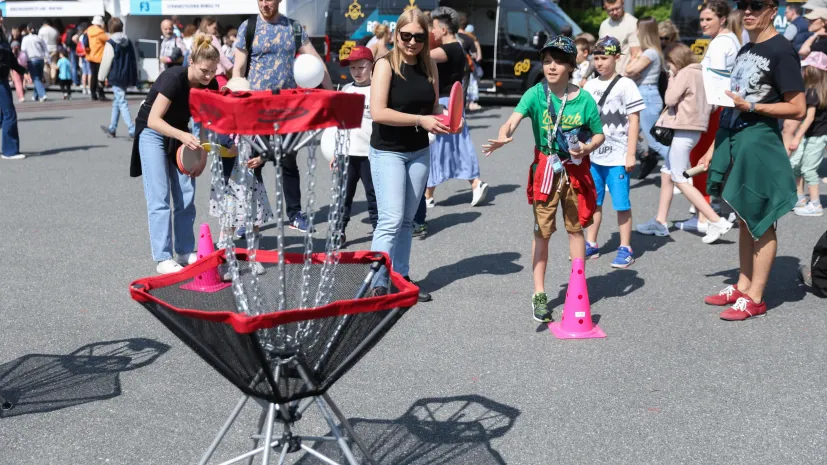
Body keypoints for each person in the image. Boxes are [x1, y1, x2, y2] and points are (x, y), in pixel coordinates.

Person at [482, 36, 604, 323]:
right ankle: (539, 293)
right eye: (547, 61)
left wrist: (587, 148)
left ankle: (577, 284)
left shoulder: (584, 99)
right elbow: (513, 118)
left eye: (559, 61)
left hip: (574, 171)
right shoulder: (536, 94)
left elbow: (599, 134)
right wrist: (504, 134)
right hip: (545, 171)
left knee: (576, 230)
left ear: (571, 66)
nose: (551, 67)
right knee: (542, 233)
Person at [699, 0, 806, 321]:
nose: (747, 11)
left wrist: (754, 108)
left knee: (760, 219)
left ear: (772, 9)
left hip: (760, 143)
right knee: (745, 217)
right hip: (737, 139)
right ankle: (743, 285)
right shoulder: (746, 49)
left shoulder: (781, 50)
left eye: (755, 5)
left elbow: (797, 107)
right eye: (743, 5)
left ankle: (756, 296)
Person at [233, 0, 334, 233]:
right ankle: (250, 218)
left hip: (287, 109)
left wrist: (331, 96)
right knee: (252, 164)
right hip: (255, 109)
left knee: (288, 162)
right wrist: (236, 99)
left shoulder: (294, 28)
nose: (264, 3)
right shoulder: (248, 27)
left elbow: (315, 62)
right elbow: (238, 69)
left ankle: (295, 214)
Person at [368, 8, 446, 303]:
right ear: (396, 34)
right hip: (388, 151)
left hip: (418, 151)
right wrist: (420, 120)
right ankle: (376, 282)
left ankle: (399, 276)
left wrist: (449, 118)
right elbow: (379, 112)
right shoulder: (385, 64)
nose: (412, 42)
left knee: (407, 220)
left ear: (427, 38)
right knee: (390, 219)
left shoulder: (429, 67)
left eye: (419, 37)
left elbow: (434, 107)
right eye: (406, 35)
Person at [129, 36, 220, 274]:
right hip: (153, 133)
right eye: (203, 70)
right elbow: (153, 120)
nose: (208, 77)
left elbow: (208, 123)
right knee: (160, 197)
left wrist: (203, 155)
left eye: (213, 71)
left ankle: (185, 250)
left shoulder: (211, 85)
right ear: (191, 61)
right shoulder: (173, 78)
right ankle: (163, 258)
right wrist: (183, 136)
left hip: (180, 134)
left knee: (186, 194)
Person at [636, 43, 733, 243]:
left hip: (683, 130)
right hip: (696, 130)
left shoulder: (684, 74)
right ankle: (660, 221)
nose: (668, 68)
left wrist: (672, 78)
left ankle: (715, 220)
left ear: (675, 61)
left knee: (680, 178)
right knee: (667, 174)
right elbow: (714, 105)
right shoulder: (704, 73)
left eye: (669, 64)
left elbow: (670, 99)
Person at [678, 0, 742, 233]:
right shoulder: (730, 39)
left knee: (701, 160)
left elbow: (713, 85)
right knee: (717, 161)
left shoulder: (719, 44)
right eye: (702, 19)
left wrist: (705, 112)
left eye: (708, 19)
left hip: (714, 110)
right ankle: (713, 210)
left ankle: (706, 217)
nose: (703, 24)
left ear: (722, 19)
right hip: (724, 107)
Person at [583, 36, 644, 268]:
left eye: (604, 58)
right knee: (594, 201)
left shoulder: (626, 85)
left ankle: (625, 247)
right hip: (593, 155)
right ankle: (591, 243)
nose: (599, 63)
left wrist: (631, 153)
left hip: (618, 156)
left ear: (617, 58)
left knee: (621, 203)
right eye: (596, 58)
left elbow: (634, 120)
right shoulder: (589, 85)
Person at [425, 7, 489, 208]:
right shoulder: (457, 47)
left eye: (434, 28)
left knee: (438, 147)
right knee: (451, 145)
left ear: (443, 30)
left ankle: (473, 183)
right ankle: (429, 194)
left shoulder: (449, 49)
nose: (432, 32)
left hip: (443, 103)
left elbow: (422, 56)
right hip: (451, 102)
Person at [337, 46, 379, 245]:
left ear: (372, 66)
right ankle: (339, 230)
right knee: (343, 196)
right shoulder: (346, 90)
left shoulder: (378, 90)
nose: (357, 72)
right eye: (353, 68)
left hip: (371, 154)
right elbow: (338, 126)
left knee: (374, 194)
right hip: (346, 154)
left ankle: (379, 230)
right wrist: (334, 154)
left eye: (361, 67)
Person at [626, 16, 668, 179]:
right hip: (644, 95)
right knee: (627, 134)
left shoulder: (650, 53)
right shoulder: (650, 52)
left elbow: (629, 71)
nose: (636, 32)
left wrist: (634, 58)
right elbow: (629, 72)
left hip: (647, 97)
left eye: (638, 29)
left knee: (654, 142)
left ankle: (681, 171)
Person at [787, 51, 827, 217]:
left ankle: (815, 204)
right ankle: (799, 198)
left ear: (811, 71)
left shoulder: (812, 92)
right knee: (795, 164)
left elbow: (809, 117)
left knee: (808, 169)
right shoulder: (819, 91)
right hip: (812, 135)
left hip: (814, 136)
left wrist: (796, 136)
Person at [98, 17, 138, 139]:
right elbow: (133, 59)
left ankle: (132, 129)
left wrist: (101, 77)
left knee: (121, 101)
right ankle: (112, 127)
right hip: (127, 75)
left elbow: (106, 62)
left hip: (116, 75)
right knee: (117, 101)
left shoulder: (111, 43)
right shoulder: (128, 41)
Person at [0, 11, 28, 160]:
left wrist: (24, 71)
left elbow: (10, 58)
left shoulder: (3, 36)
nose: (2, 18)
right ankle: (9, 151)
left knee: (3, 115)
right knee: (9, 114)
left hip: (2, 79)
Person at [599, 0, 640, 74]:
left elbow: (635, 54)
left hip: (623, 75)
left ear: (622, 3)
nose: (615, 12)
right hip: (606, 75)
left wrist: (628, 74)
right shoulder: (604, 25)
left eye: (617, 8)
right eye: (611, 10)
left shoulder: (633, 23)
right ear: (605, 7)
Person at [197, 17, 233, 87]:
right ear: (207, 26)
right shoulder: (212, 38)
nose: (216, 30)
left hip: (203, 76)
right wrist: (233, 69)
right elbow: (221, 57)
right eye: (214, 28)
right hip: (217, 75)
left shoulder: (198, 39)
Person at [20, 24, 47, 102]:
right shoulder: (39, 38)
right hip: (40, 59)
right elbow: (45, 48)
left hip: (31, 60)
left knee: (36, 78)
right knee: (38, 77)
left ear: (28, 29)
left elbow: (23, 50)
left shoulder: (25, 39)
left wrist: (23, 62)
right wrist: (47, 59)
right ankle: (35, 95)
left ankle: (42, 94)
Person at [86, 16, 108, 101]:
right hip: (100, 57)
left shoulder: (89, 30)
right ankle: (101, 94)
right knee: (100, 76)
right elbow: (108, 39)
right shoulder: (100, 32)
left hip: (91, 56)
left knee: (93, 76)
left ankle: (93, 93)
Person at [38, 19, 59, 85]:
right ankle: (53, 81)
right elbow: (57, 39)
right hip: (54, 49)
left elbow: (39, 41)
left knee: (46, 66)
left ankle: (47, 81)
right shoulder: (55, 30)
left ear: (44, 24)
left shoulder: (41, 30)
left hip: (45, 50)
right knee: (53, 65)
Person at [74, 22, 90, 95]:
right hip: (88, 54)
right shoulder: (88, 35)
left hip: (82, 55)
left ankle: (84, 88)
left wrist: (77, 43)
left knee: (84, 72)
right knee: (90, 73)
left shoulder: (80, 36)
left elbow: (73, 38)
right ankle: (89, 88)